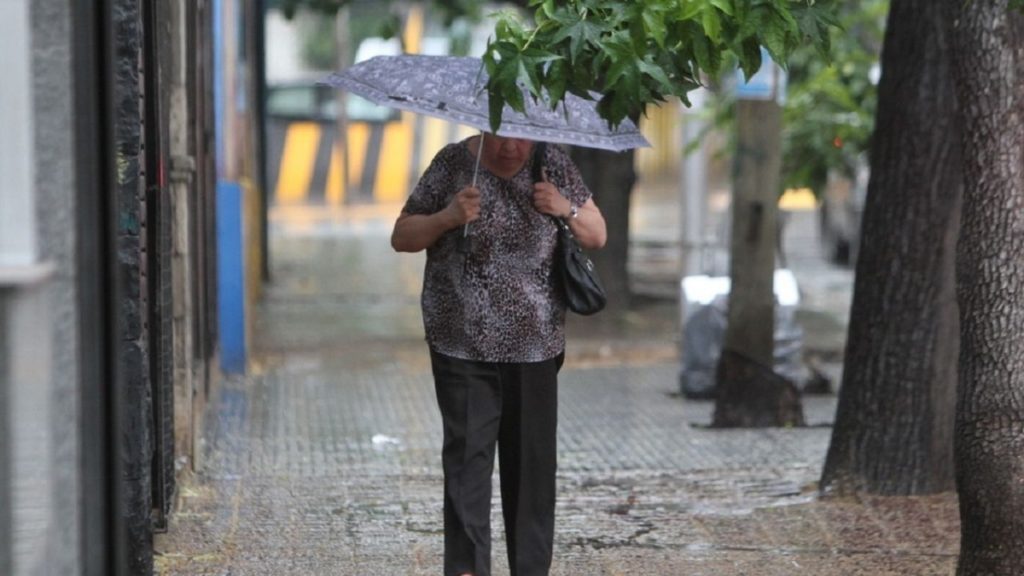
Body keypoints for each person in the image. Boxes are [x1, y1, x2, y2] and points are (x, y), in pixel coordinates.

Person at [391, 133, 606, 576]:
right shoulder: (453, 164)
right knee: (467, 467)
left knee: (531, 473)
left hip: (535, 347)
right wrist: (448, 217)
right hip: (461, 344)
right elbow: (402, 236)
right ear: (484, 129)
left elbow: (597, 234)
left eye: (521, 141)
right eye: (501, 140)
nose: (511, 150)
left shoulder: (552, 163)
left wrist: (564, 207)